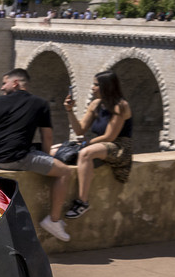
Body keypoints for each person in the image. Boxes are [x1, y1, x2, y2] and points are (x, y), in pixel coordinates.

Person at [0, 69, 78, 240]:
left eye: (4, 83)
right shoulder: (40, 103)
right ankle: (54, 220)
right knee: (65, 171)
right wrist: (48, 160)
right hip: (16, 158)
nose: (1, 88)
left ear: (15, 83)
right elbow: (47, 136)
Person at [52, 70, 133, 223]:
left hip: (119, 146)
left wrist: (86, 144)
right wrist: (69, 111)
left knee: (85, 154)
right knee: (54, 150)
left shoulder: (120, 106)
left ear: (106, 86)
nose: (92, 88)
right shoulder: (95, 104)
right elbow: (79, 130)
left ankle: (82, 202)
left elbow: (110, 137)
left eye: (96, 85)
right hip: (98, 144)